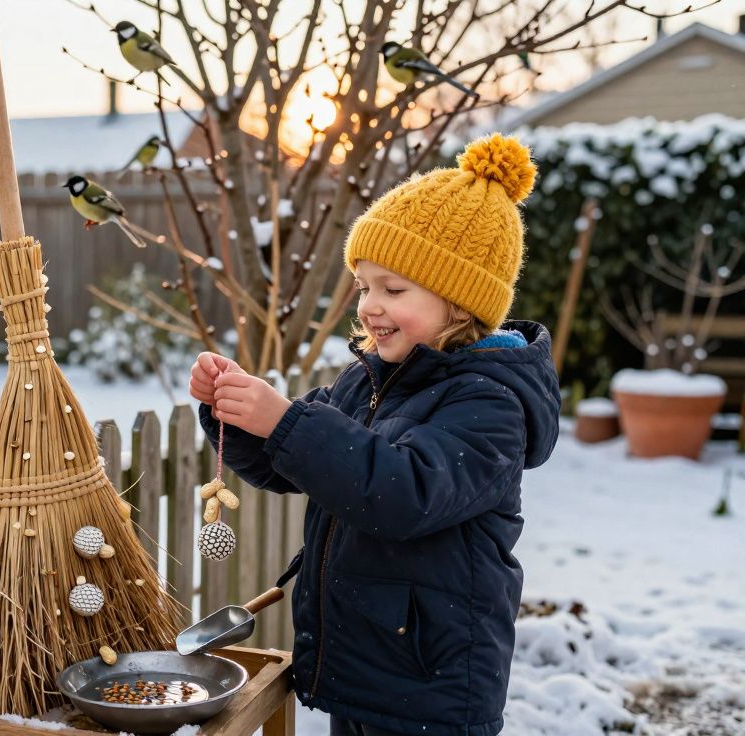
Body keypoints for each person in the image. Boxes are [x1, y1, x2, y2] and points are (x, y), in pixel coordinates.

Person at [189, 134, 561, 736]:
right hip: (365, 666)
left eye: (393, 289)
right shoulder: (369, 380)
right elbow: (294, 463)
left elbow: (401, 492)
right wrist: (236, 412)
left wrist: (285, 421)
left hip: (431, 686)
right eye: (363, 286)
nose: (368, 305)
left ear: (460, 304)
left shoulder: (490, 403)